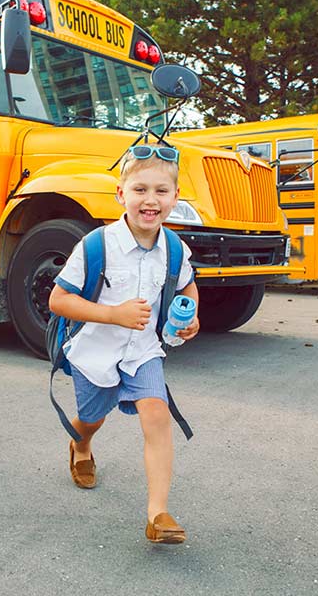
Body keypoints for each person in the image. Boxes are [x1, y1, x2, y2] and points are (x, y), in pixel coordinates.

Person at [48, 144, 200, 544]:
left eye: (161, 191)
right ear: (121, 194)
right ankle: (80, 445)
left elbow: (186, 284)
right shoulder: (96, 245)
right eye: (140, 190)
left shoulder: (174, 247)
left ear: (175, 198)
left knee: (156, 415)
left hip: (143, 352)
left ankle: (158, 514)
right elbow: (58, 300)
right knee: (92, 417)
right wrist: (113, 314)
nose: (150, 200)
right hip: (96, 352)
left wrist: (193, 316)